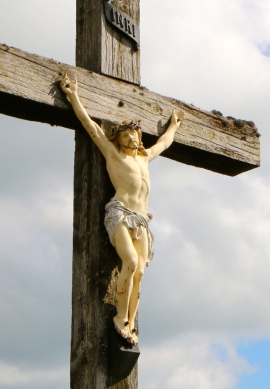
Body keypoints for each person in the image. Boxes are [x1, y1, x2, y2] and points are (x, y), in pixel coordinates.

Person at [58, 71, 182, 344]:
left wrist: (173, 126)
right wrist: (74, 95)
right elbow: (91, 127)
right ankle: (118, 317)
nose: (134, 139)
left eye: (135, 134)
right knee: (131, 261)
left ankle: (129, 321)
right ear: (120, 139)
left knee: (140, 271)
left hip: (141, 220)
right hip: (120, 212)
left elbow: (163, 143)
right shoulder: (113, 154)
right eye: (128, 135)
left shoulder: (145, 157)